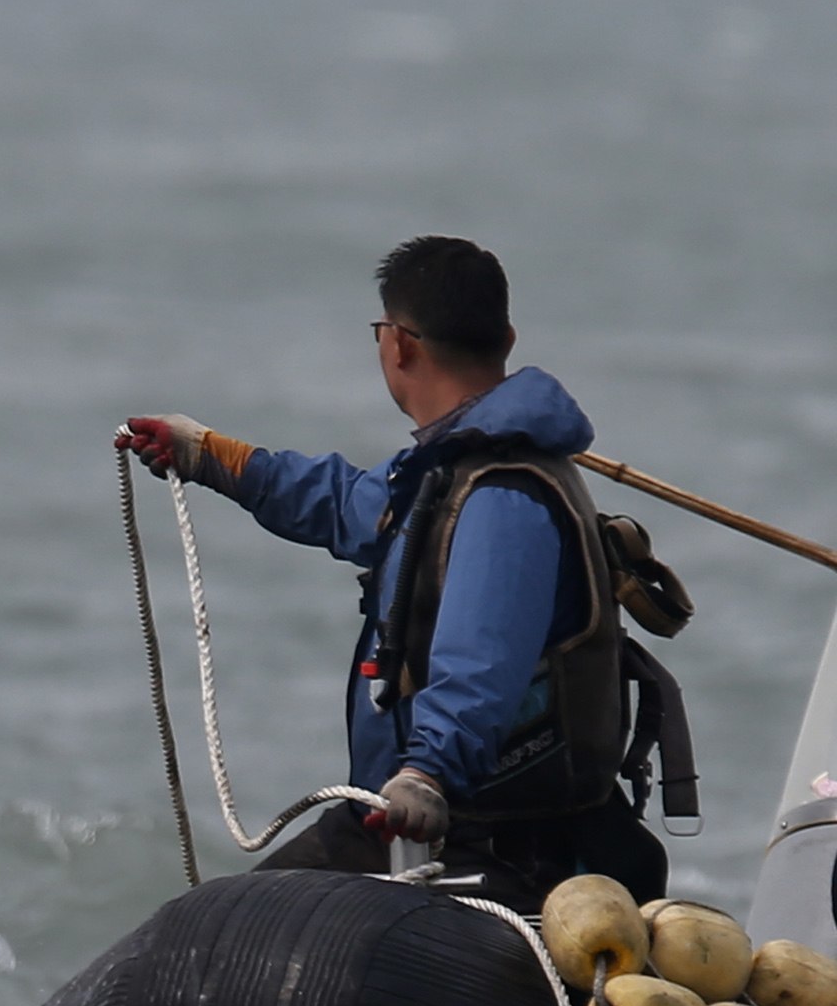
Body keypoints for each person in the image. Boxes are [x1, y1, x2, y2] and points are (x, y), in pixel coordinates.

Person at [118, 236, 678, 910]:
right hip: (422, 816)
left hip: (490, 840)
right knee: (212, 927)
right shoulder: (446, 475)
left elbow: (481, 666)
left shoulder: (503, 501)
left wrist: (427, 775)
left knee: (217, 935)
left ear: (398, 345)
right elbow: (346, 503)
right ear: (504, 337)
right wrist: (211, 456)